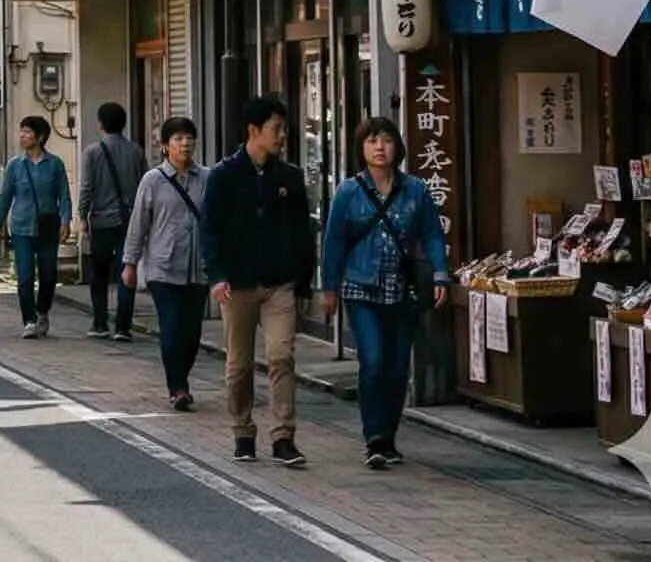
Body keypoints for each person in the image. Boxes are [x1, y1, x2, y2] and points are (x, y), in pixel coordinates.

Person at [320, 115, 451, 469]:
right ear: (361, 148)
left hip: (402, 289)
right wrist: (328, 287)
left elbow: (433, 235)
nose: (380, 147)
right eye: (372, 141)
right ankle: (374, 436)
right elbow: (333, 242)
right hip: (360, 287)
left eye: (386, 140)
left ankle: (389, 437)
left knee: (396, 368)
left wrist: (441, 275)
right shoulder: (349, 191)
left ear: (398, 147)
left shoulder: (416, 190)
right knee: (374, 360)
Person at [201, 95, 318, 468]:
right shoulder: (223, 175)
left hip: (280, 283)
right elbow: (210, 230)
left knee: (281, 355)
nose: (282, 135)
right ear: (254, 131)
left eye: (283, 128)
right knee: (239, 364)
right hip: (237, 285)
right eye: (276, 129)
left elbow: (303, 233)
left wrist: (303, 282)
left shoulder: (290, 177)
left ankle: (283, 436)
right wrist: (217, 276)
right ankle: (242, 431)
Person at [121, 116, 209, 412]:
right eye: (178, 139)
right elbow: (139, 224)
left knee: (192, 331)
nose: (185, 143)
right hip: (162, 266)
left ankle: (181, 377)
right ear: (165, 146)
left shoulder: (206, 178)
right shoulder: (153, 180)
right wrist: (130, 263)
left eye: (189, 138)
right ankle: (178, 387)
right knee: (171, 326)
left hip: (197, 266)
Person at [0, 115, 71, 338]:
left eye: (27, 132)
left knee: (48, 275)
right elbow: (5, 196)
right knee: (25, 276)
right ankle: (29, 320)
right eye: (22, 132)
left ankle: (42, 311)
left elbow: (64, 196)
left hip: (48, 226)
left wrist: (66, 221)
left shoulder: (55, 164)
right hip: (21, 227)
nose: (22, 136)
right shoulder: (15, 165)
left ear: (39, 137)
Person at [79, 102, 146, 341]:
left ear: (100, 124)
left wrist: (82, 216)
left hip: (101, 221)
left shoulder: (92, 152)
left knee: (99, 273)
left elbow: (87, 187)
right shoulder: (136, 151)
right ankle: (123, 327)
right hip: (130, 221)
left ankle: (100, 323)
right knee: (126, 271)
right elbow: (144, 187)